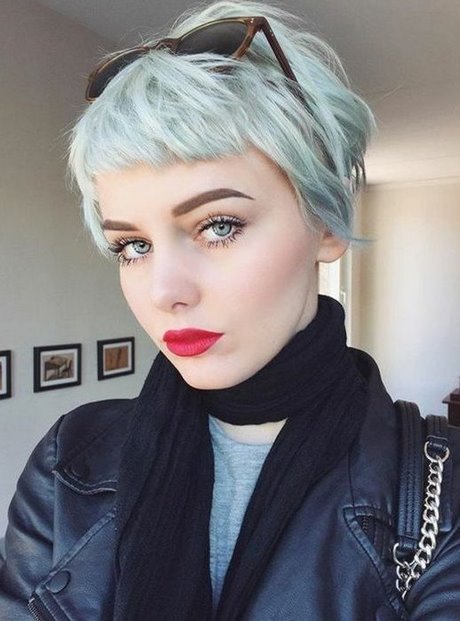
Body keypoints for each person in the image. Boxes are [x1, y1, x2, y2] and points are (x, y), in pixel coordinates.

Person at [1, 1, 459, 619]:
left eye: (218, 225)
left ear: (327, 223)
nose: (165, 291)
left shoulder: (439, 493)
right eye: (132, 246)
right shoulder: (70, 460)